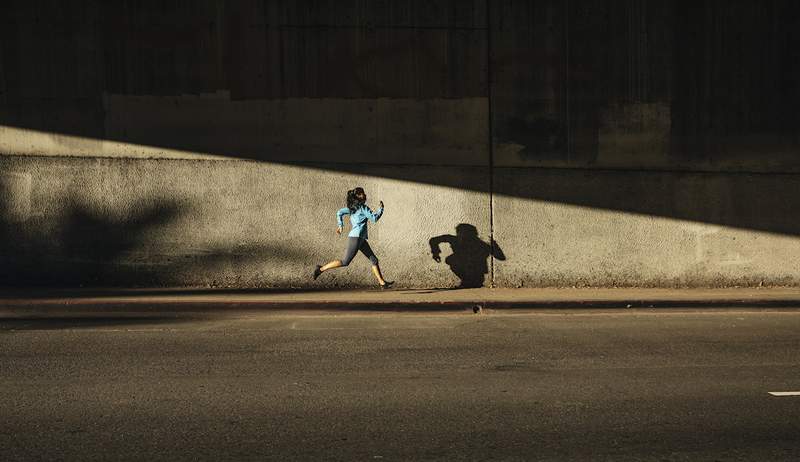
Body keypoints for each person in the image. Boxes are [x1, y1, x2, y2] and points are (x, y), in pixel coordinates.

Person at [313, 187, 393, 289]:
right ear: (358, 196)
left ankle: (382, 283)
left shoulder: (353, 208)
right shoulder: (363, 208)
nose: (365, 195)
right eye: (362, 193)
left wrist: (340, 226)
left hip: (360, 238)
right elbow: (374, 218)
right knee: (345, 262)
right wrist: (381, 209)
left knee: (374, 260)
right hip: (356, 238)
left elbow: (339, 212)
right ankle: (320, 269)